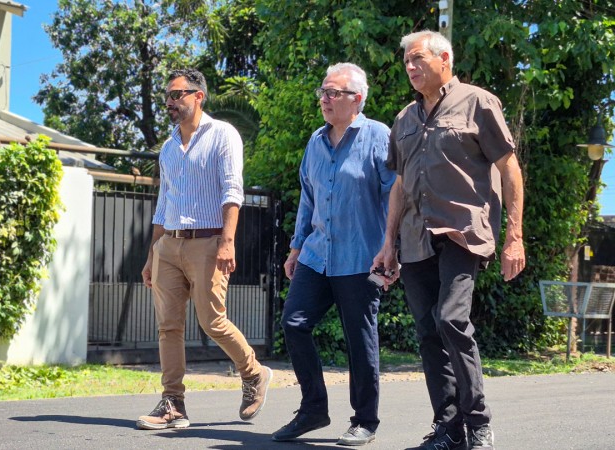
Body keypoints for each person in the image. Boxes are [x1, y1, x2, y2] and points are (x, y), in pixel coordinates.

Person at [371, 30, 526, 450]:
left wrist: (514, 235)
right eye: (406, 60)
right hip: (414, 237)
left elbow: (509, 167)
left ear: (444, 59)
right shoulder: (405, 119)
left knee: (450, 319)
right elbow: (400, 184)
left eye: (418, 58)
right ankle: (448, 427)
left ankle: (478, 422)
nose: (410, 66)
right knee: (427, 332)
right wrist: (388, 243)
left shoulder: (478, 102)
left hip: (463, 232)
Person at [137, 68, 273, 430]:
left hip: (209, 241)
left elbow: (232, 190)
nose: (170, 101)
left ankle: (254, 372)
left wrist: (227, 241)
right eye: (167, 95)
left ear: (198, 96)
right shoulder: (168, 148)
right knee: (168, 326)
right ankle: (173, 404)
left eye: (177, 94)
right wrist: (152, 254)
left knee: (212, 321)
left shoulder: (222, 134)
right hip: (169, 244)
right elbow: (163, 204)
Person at [271, 63, 395, 446]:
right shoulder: (316, 141)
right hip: (317, 254)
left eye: (333, 93)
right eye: (323, 92)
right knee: (294, 322)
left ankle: (365, 420)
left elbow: (396, 196)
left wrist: (393, 249)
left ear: (357, 99)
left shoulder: (378, 136)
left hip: (362, 257)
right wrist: (296, 247)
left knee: (360, 339)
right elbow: (308, 197)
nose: (324, 99)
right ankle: (313, 410)